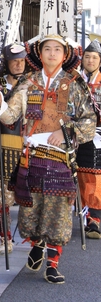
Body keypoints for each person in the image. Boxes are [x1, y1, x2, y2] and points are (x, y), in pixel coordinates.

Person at [0, 35, 96, 285]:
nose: (51, 53)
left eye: (56, 49)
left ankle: (53, 263)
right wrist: (0, 105)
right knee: (31, 209)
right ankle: (37, 245)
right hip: (31, 156)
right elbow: (10, 116)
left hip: (60, 157)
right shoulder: (28, 82)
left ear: (65, 54)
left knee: (58, 211)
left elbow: (89, 122)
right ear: (39, 53)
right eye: (46, 48)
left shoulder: (75, 82)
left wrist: (66, 132)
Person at [0, 43, 27, 255]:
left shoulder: (30, 85)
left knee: (30, 196)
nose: (18, 64)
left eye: (21, 60)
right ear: (6, 63)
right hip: (0, 148)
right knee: (0, 197)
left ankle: (35, 240)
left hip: (25, 147)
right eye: (14, 60)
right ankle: (5, 238)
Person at [77, 39, 101, 239]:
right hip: (77, 134)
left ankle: (95, 219)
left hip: (99, 135)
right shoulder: (75, 80)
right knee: (82, 175)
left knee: (96, 177)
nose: (90, 60)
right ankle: (86, 215)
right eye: (87, 57)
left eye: (94, 57)